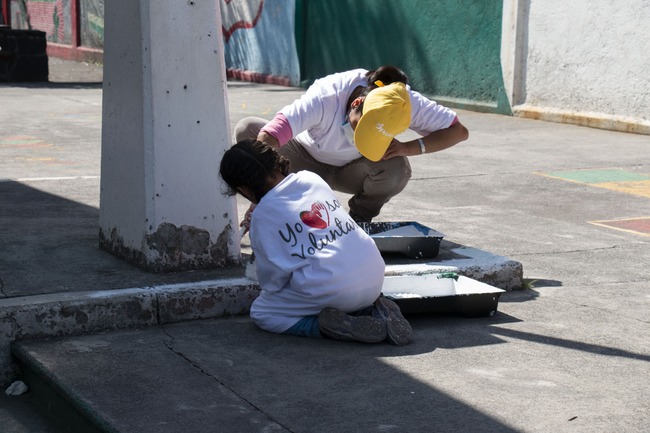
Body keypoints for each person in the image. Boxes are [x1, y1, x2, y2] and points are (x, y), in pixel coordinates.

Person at [219, 139, 412, 345]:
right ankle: (372, 308)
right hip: (374, 278)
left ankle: (325, 326)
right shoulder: (310, 178)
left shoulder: (262, 217)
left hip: (333, 291)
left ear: (244, 190)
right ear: (276, 159)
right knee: (336, 277)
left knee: (262, 311)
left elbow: (272, 282)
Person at [235, 65, 469, 223]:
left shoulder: (404, 103)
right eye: (361, 127)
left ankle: (358, 222)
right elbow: (273, 133)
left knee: (398, 169)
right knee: (248, 130)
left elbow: (459, 132)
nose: (361, 138)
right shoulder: (327, 94)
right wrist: (261, 195)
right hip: (301, 161)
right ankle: (284, 209)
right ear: (356, 102)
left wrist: (409, 147)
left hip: (352, 171)